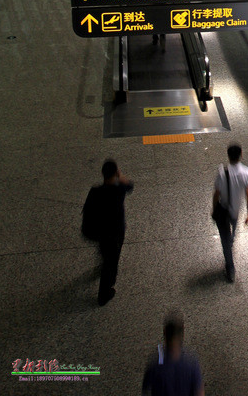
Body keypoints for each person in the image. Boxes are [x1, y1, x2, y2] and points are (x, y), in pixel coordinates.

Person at [84, 159, 133, 306]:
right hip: (115, 233)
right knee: (111, 263)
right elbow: (130, 185)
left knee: (105, 253)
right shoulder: (119, 189)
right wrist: (120, 175)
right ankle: (104, 294)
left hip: (100, 233)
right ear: (115, 173)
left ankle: (104, 262)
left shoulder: (95, 191)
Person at [212, 144, 248, 282]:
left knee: (225, 240)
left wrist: (214, 208)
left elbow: (216, 194)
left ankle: (230, 267)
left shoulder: (222, 174)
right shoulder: (246, 172)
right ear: (241, 154)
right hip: (235, 212)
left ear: (228, 155)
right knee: (232, 233)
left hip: (223, 212)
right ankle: (231, 241)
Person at [142, 315, 204, 396]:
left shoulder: (155, 365)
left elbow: (146, 389)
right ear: (182, 335)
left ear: (165, 334)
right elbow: (199, 392)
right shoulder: (191, 363)